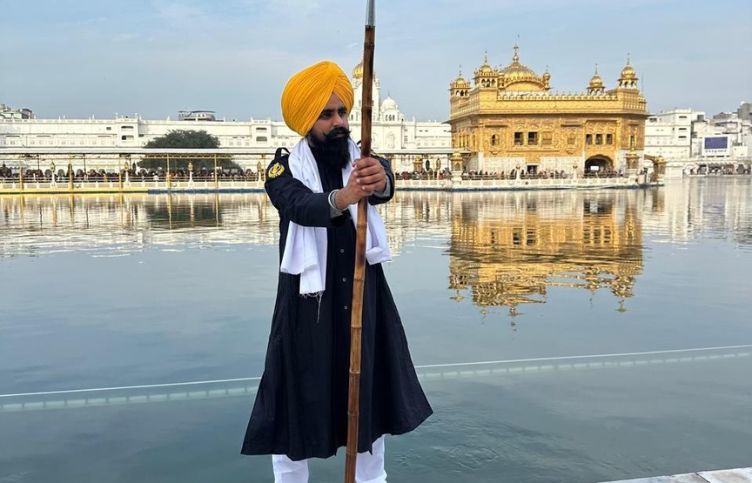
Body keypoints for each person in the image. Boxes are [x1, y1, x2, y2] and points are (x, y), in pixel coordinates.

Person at [241, 60, 432, 483]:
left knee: (367, 396)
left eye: (343, 111)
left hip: (364, 297)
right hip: (308, 303)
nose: (339, 122)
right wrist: (344, 197)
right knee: (294, 396)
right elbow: (297, 204)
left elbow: (383, 185)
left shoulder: (362, 159)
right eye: (327, 115)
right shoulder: (283, 168)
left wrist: (380, 180)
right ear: (306, 120)